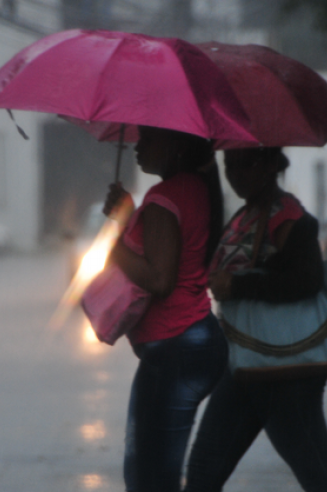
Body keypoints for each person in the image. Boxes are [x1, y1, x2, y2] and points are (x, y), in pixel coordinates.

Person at [184, 147, 327, 492]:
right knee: (203, 471)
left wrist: (240, 284)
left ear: (272, 164)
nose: (235, 173)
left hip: (285, 371)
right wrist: (207, 174)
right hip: (245, 362)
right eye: (228, 165)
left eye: (245, 163)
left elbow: (306, 280)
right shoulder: (245, 216)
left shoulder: (290, 218)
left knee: (319, 476)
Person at [102, 126, 228, 492]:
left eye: (148, 139)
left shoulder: (164, 197)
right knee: (157, 471)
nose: (138, 146)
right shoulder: (197, 189)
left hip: (176, 345)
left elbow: (159, 280)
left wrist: (114, 243)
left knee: (148, 477)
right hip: (193, 341)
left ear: (175, 145)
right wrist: (127, 216)